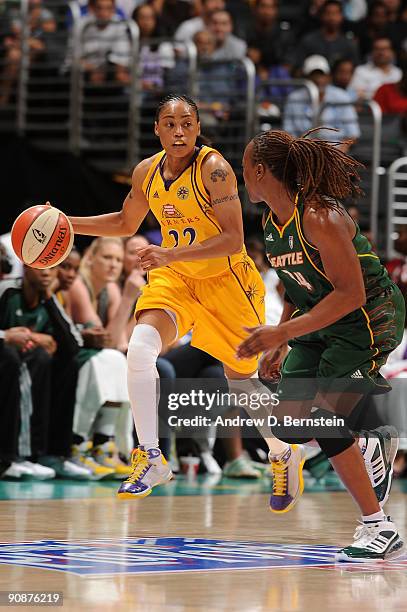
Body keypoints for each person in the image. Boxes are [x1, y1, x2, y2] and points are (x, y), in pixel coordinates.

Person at [65, 94, 301, 502]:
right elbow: (124, 222)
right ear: (156, 128)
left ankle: (283, 451)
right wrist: (67, 224)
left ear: (196, 128)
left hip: (227, 283)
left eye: (187, 123)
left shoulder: (214, 169)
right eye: (170, 123)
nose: (178, 131)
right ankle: (152, 455)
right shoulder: (147, 172)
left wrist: (169, 252)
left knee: (240, 381)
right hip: (177, 279)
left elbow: (232, 240)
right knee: (140, 349)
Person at [238, 127, 406, 561]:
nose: (242, 178)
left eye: (244, 169)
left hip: (367, 320)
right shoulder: (270, 222)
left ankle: (378, 526)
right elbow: (299, 287)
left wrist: (284, 334)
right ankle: (371, 443)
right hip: (320, 322)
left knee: (325, 420)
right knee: (288, 425)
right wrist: (279, 337)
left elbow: (351, 293)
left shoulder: (320, 216)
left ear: (259, 171)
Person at [0, 265, 87, 480]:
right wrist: (5, 336)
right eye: (40, 267)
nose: (47, 272)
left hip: (23, 362)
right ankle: (14, 456)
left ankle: (54, 454)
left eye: (53, 267)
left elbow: (75, 344)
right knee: (14, 357)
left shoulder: (49, 300)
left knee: (67, 364)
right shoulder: (6, 290)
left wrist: (49, 299)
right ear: (25, 266)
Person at [283, 55, 360, 142]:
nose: (318, 80)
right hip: (302, 151)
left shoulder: (342, 97)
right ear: (306, 77)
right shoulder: (294, 98)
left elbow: (353, 134)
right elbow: (288, 132)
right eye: (313, 75)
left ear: (328, 77)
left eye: (321, 75)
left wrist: (338, 154)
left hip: (334, 151)